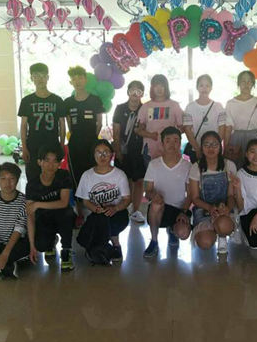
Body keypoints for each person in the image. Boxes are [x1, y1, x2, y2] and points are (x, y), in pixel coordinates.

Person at [76, 140, 131, 264]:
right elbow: (85, 201)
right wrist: (95, 208)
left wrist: (115, 208)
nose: (102, 156)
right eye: (99, 152)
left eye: (106, 152)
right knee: (97, 222)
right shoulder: (87, 175)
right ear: (93, 155)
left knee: (107, 223)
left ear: (112, 154)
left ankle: (115, 244)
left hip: (118, 213)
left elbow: (127, 199)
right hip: (98, 214)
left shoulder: (119, 174)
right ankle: (101, 248)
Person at [142, 126, 192, 258]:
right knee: (156, 204)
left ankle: (173, 231)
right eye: (168, 140)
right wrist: (154, 195)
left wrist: (184, 212)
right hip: (159, 209)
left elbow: (190, 194)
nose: (172, 144)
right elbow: (147, 191)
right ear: (162, 144)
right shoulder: (154, 164)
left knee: (183, 233)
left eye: (176, 140)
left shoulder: (187, 166)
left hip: (178, 209)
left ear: (180, 143)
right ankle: (154, 241)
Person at [26, 145, 75, 271]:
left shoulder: (63, 175)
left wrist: (38, 204)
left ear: (59, 163)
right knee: (41, 246)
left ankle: (66, 250)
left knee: (68, 214)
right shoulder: (32, 184)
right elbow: (30, 214)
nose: (51, 165)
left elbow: (63, 203)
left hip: (62, 215)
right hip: (44, 218)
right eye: (47, 160)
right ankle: (51, 242)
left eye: (55, 161)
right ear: (39, 162)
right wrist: (32, 245)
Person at [188, 131, 236, 254]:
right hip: (204, 208)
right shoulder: (196, 167)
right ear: (201, 147)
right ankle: (212, 232)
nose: (211, 148)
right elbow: (195, 198)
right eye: (207, 144)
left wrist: (227, 208)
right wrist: (209, 208)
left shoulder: (229, 165)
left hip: (223, 208)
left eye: (214, 144)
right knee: (205, 242)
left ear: (220, 147)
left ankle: (222, 236)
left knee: (224, 225)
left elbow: (231, 195)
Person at [18, 63, 66, 182]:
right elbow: (23, 126)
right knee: (33, 176)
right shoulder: (26, 101)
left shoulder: (57, 100)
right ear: (32, 78)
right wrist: (24, 147)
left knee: (52, 176)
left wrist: (61, 144)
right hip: (33, 145)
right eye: (36, 76)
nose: (40, 79)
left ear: (48, 77)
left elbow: (62, 124)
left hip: (52, 144)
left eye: (43, 76)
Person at [64, 66, 104, 189]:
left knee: (93, 173)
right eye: (74, 79)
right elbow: (69, 124)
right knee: (76, 174)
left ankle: (93, 199)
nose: (77, 81)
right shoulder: (68, 102)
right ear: (70, 82)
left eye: (80, 78)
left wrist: (92, 138)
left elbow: (99, 123)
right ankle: (79, 200)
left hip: (92, 143)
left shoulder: (95, 100)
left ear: (85, 80)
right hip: (75, 144)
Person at [112, 81, 147, 224]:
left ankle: (136, 210)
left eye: (139, 91)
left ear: (142, 94)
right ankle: (124, 207)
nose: (135, 94)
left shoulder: (145, 109)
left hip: (140, 150)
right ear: (128, 92)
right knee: (125, 180)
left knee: (139, 181)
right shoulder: (120, 108)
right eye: (132, 90)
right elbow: (116, 132)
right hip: (123, 150)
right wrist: (118, 151)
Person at [136, 74, 184, 167]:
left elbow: (182, 128)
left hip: (171, 149)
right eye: (156, 86)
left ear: (166, 87)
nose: (159, 89)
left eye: (162, 86)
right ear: (152, 88)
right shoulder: (146, 106)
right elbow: (138, 130)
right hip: (151, 150)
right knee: (152, 175)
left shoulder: (174, 105)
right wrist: (150, 135)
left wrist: (170, 137)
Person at [224, 71, 257, 169]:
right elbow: (228, 127)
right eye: (243, 81)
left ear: (253, 84)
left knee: (254, 166)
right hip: (236, 139)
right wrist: (225, 147)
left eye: (249, 82)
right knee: (235, 166)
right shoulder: (230, 103)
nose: (246, 84)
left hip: (254, 139)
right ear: (238, 83)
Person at [183, 75, 226, 163]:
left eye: (207, 86)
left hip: (214, 150)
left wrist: (215, 147)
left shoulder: (218, 106)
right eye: (201, 85)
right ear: (197, 87)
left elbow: (222, 128)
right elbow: (187, 129)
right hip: (196, 149)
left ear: (211, 88)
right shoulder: (190, 107)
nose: (204, 88)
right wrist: (197, 149)